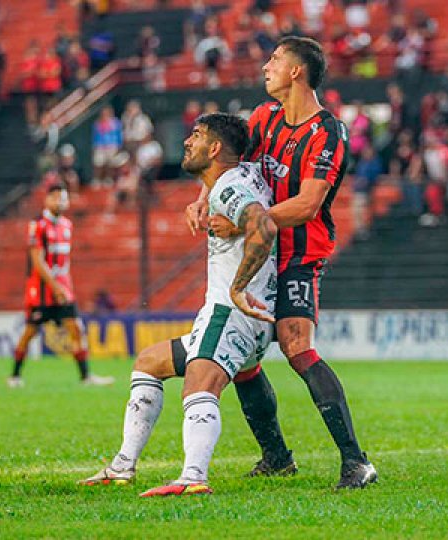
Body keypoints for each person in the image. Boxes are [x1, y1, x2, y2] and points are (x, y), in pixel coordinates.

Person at [189, 37, 377, 489]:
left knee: (296, 346)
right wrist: (202, 196)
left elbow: (310, 204)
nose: (266, 65)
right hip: (258, 255)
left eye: (275, 59)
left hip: (298, 254)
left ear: (297, 71)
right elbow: (231, 166)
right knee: (246, 355)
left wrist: (245, 221)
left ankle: (356, 462)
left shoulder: (327, 132)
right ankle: (276, 456)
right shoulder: (264, 117)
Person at [81, 113, 279, 494]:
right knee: (149, 362)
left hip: (230, 312)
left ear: (216, 148)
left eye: (197, 135)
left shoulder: (227, 189)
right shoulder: (248, 174)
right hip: (253, 319)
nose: (187, 141)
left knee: (198, 388)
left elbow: (264, 225)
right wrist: (203, 198)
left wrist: (237, 288)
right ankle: (123, 465)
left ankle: (193, 477)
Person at [8, 184, 114, 388]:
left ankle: (86, 377)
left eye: (63, 198)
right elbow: (37, 261)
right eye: (56, 198)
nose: (60, 202)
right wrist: (55, 287)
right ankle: (14, 376)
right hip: (41, 291)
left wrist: (65, 287)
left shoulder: (67, 225)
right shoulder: (37, 225)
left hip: (63, 289)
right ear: (47, 200)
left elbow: (64, 262)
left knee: (76, 328)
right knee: (30, 332)